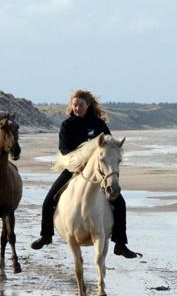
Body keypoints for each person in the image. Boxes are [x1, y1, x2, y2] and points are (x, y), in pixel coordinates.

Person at [31, 89, 141, 258]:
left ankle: (120, 243)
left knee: (120, 203)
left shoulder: (98, 124)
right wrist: (80, 160)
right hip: (74, 168)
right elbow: (64, 148)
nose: (77, 108)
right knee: (49, 199)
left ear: (87, 105)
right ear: (71, 106)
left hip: (97, 171)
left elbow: (109, 144)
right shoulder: (67, 125)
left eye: (81, 105)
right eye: (75, 105)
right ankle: (46, 235)